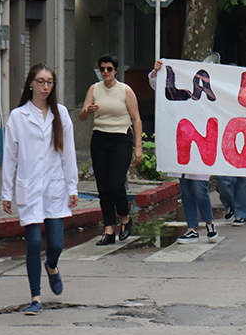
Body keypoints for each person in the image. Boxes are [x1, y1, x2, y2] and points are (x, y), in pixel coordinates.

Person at [2, 64, 78, 315]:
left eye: (50, 82)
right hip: (29, 188)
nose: (45, 87)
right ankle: (35, 297)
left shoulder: (61, 114)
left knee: (56, 243)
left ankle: (52, 266)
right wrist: (6, 192)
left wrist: (72, 186)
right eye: (41, 81)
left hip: (55, 189)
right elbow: (10, 157)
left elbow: (69, 154)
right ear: (31, 84)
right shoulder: (18, 116)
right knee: (34, 242)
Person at [149, 61, 217, 244]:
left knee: (199, 188)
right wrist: (156, 72)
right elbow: (160, 88)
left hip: (201, 144)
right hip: (182, 144)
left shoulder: (207, 97)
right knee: (186, 189)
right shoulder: (178, 95)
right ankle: (192, 228)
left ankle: (209, 222)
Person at [79, 54, 142, 246]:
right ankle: (108, 229)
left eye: (109, 69)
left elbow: (136, 119)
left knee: (116, 184)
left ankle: (125, 217)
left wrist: (138, 147)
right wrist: (88, 110)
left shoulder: (125, 90)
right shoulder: (94, 89)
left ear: (115, 71)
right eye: (102, 69)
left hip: (121, 138)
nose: (105, 72)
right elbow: (82, 116)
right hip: (99, 138)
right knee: (103, 187)